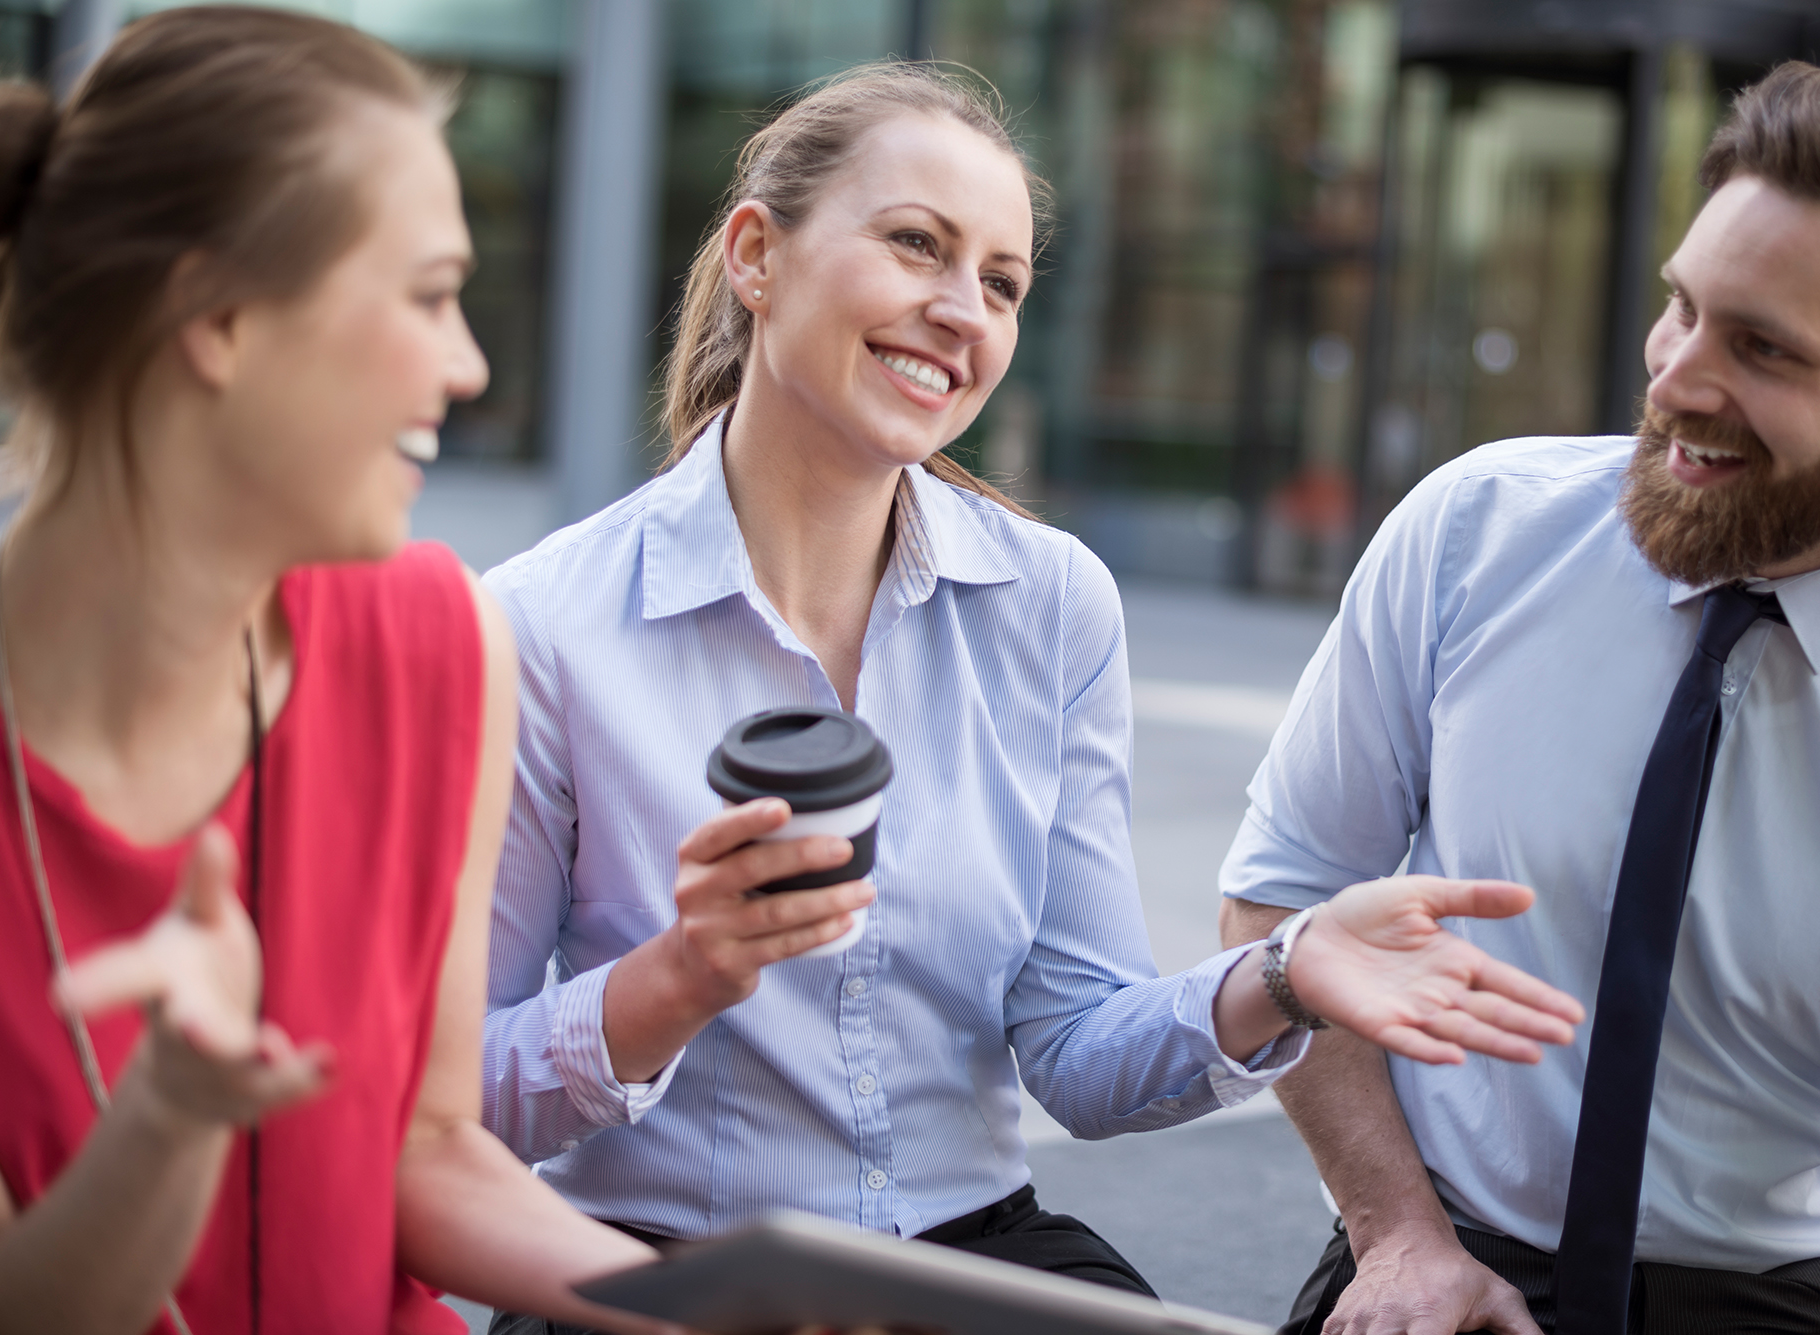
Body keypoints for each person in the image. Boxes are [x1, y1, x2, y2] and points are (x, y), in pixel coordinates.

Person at [481, 61, 1582, 1334]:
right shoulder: (543, 624)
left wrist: (1284, 970)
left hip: (968, 1256)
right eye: (914, 245)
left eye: (999, 283)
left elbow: (1077, 1050)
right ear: (754, 257)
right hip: (656, 1271)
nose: (962, 311)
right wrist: (671, 980)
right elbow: (460, 1093)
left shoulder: (1050, 604)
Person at [1219, 61, 1820, 1335]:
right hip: (1428, 1258)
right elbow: (1284, 891)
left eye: (1763, 348)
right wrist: (1396, 1237)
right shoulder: (1474, 530)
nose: (1677, 376)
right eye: (1681, 307)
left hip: (1767, 1298)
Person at [0, 10, 698, 1332]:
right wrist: (172, 1119)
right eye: (429, 294)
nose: (469, 362)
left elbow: (423, 1142)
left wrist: (700, 1307)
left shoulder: (439, 642)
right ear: (222, 315)